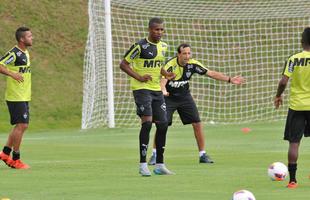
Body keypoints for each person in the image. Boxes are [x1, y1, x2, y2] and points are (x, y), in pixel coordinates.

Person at [148, 43, 245, 165]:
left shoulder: (193, 64)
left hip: (184, 97)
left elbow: (211, 73)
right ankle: (155, 155)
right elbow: (163, 81)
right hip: (168, 98)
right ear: (178, 54)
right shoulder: (170, 65)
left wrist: (230, 79)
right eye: (184, 53)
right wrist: (163, 90)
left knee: (197, 123)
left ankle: (203, 155)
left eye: (189, 53)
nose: (187, 56)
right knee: (162, 125)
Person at [120, 17, 175, 176]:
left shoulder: (164, 46)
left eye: (161, 30)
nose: (159, 32)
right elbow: (123, 64)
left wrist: (166, 73)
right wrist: (138, 77)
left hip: (156, 89)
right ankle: (143, 164)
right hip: (141, 88)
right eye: (156, 29)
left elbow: (159, 64)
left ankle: (160, 164)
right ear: (150, 29)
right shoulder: (139, 46)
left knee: (163, 124)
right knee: (147, 123)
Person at [274, 27, 310, 189]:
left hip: (297, 106)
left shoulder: (294, 59)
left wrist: (278, 95)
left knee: (294, 143)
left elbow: (283, 81)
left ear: (302, 41)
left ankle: (293, 181)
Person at [0, 26, 33, 169]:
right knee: (22, 125)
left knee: (20, 126)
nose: (32, 38)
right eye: (29, 36)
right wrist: (12, 74)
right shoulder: (14, 53)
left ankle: (5, 153)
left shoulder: (25, 53)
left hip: (24, 95)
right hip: (16, 96)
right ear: (22, 39)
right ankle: (16, 159)